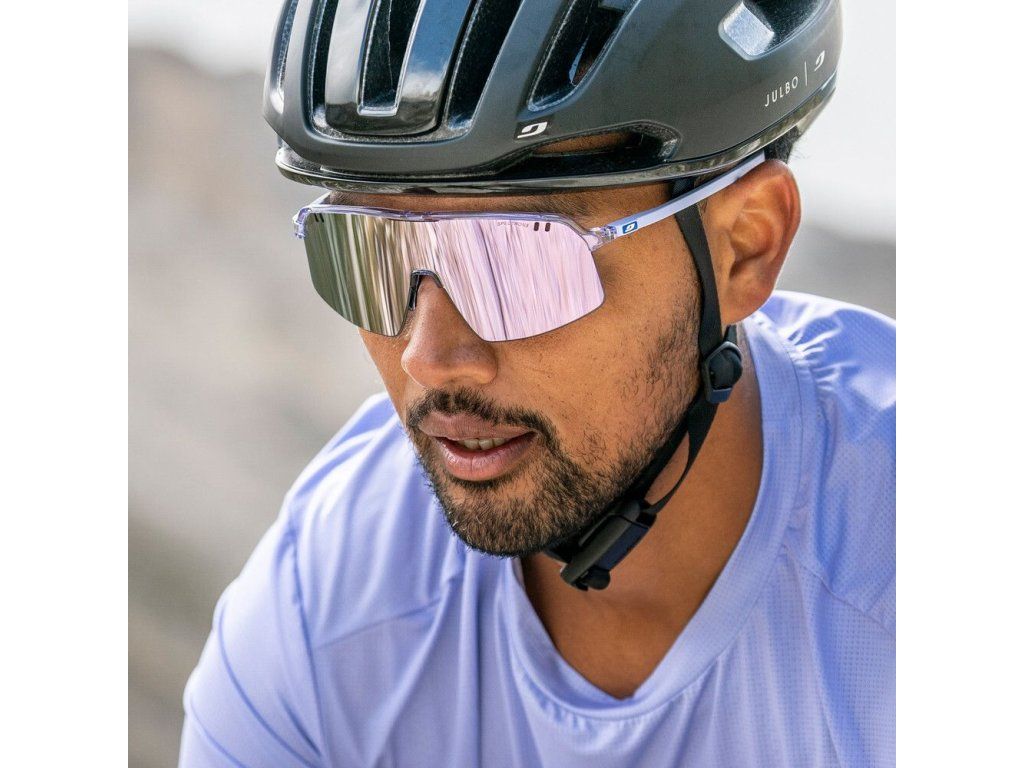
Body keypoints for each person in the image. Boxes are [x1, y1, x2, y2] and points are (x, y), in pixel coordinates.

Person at [180, 0, 894, 765]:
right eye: (368, 255)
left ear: (745, 247)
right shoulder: (323, 605)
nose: (430, 358)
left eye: (516, 262)